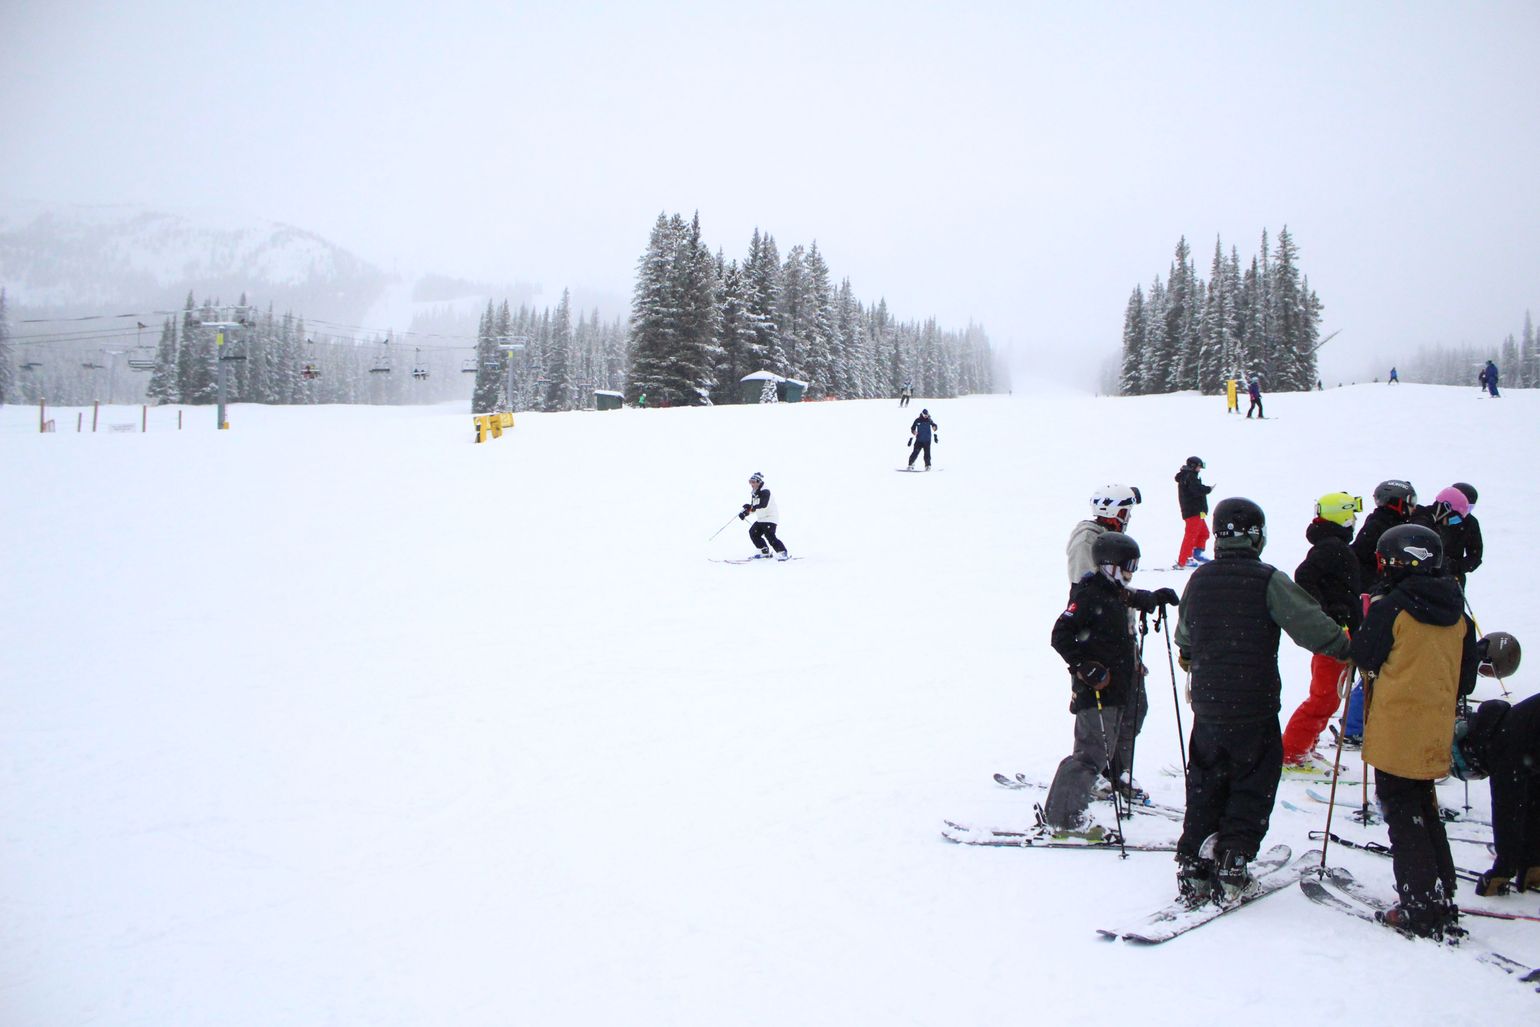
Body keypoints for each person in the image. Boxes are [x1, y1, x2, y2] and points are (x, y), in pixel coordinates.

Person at [1172, 497, 1352, 905]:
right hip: (1252, 703)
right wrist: (1347, 647)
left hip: (1209, 704)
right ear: (1257, 537)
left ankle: (1193, 861)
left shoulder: (1199, 580)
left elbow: (1185, 638)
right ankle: (1233, 859)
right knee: (1252, 781)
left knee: (1206, 781)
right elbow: (1311, 627)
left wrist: (1194, 656)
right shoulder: (1267, 579)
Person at [1353, 524, 1478, 938]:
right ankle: (1439, 891)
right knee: (1423, 806)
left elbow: (1365, 655)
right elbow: (1467, 679)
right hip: (1434, 727)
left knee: (1403, 815)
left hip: (1396, 727)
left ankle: (1420, 903)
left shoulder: (1395, 606)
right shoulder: (1458, 610)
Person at [1044, 532, 1179, 833]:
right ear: (1110, 565)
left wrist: (1153, 599)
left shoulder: (1115, 590)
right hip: (1097, 688)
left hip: (1121, 683)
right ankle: (1064, 819)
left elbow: (1128, 598)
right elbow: (1060, 634)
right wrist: (1083, 666)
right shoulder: (1089, 593)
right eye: (1129, 564)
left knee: (1123, 729)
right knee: (1091, 751)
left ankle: (1115, 774)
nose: (1132, 570)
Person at [1281, 492, 1364, 768]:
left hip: (1338, 632)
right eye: (1351, 515)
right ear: (1341, 515)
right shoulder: (1331, 547)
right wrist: (1329, 611)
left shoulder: (1332, 545)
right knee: (1324, 697)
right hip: (1333, 634)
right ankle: (1291, 754)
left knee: (1330, 696)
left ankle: (1306, 747)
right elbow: (1303, 577)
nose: (1354, 522)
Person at [1341, 479, 1420, 744]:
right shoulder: (1379, 526)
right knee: (1378, 661)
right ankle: (1353, 725)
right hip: (1374, 599)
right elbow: (1358, 557)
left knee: (1382, 661)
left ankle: (1357, 722)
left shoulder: (1390, 524)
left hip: (1382, 597)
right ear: (1396, 502)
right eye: (1409, 502)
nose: (1412, 507)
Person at [1453, 693, 1540, 897]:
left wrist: (1503, 869)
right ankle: (1533, 864)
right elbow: (1533, 801)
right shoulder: (1518, 726)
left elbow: (1509, 812)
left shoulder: (1503, 743)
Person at [1068, 485, 1141, 585]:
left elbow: (1113, 588)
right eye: (1126, 513)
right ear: (1115, 513)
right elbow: (1086, 590)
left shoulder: (1108, 538)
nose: (1129, 517)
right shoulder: (1086, 541)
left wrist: (1148, 597)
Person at [1415, 486, 1475, 589]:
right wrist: (1443, 566)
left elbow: (1475, 555)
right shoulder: (1422, 521)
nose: (1453, 523)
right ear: (1446, 508)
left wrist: (1454, 567)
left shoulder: (1437, 525)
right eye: (1455, 518)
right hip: (1419, 581)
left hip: (1440, 579)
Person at [737, 472, 789, 560]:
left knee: (769, 535)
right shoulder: (754, 492)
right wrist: (745, 513)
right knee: (753, 533)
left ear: (759, 482)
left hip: (770, 517)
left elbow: (763, 505)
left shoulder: (765, 491)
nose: (752, 484)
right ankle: (764, 551)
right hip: (761, 519)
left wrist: (751, 507)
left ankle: (782, 552)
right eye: (750, 482)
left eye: (753, 482)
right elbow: (754, 508)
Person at [1173, 456, 1213, 569]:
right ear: (1193, 466)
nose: (1199, 469)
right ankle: (1184, 560)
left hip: (1198, 511)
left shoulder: (1189, 476)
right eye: (1199, 466)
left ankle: (1197, 554)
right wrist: (1208, 489)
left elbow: (1196, 489)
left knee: (1204, 533)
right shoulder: (1189, 476)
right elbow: (1196, 490)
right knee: (1191, 536)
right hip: (1193, 511)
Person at [1448, 483, 1484, 587]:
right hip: (1425, 572)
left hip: (1452, 578)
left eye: (1469, 508)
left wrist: (1455, 567)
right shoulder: (1434, 515)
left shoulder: (1470, 523)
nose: (1464, 512)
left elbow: (1475, 556)